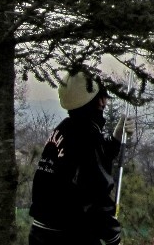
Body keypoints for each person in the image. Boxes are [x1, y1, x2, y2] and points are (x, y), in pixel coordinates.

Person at [29, 70, 135, 245]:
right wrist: (113, 236)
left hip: (41, 233)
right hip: (68, 235)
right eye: (103, 98)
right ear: (98, 101)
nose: (105, 103)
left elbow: (90, 161)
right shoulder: (86, 136)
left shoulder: (65, 129)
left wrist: (116, 137)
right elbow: (95, 194)